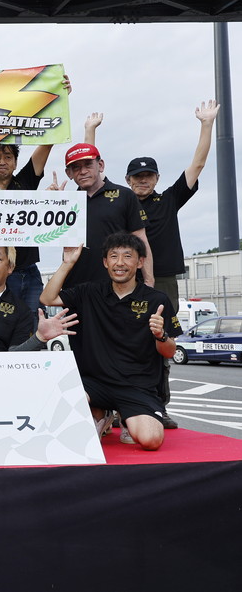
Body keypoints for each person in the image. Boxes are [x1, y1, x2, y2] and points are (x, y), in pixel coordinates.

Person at [85, 101, 219, 430]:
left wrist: (206, 124)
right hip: (123, 280)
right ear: (127, 179)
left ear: (157, 178)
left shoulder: (169, 199)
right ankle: (115, 407)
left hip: (162, 280)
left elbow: (198, 164)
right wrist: (90, 131)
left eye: (148, 176)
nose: (142, 181)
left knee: (161, 340)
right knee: (117, 340)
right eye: (137, 176)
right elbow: (90, 170)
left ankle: (158, 405)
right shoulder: (119, 200)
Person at [41, 233, 181, 450]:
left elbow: (169, 351)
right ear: (105, 262)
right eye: (114, 256)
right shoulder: (90, 291)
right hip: (93, 383)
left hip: (136, 386)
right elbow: (47, 298)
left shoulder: (156, 300)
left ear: (140, 262)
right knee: (58, 415)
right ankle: (101, 413)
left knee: (151, 440)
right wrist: (67, 263)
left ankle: (124, 416)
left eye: (128, 256)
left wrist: (160, 335)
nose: (120, 263)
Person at [0, 74, 71, 312]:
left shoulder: (25, 182)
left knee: (32, 325)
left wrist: (59, 100)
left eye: (8, 157)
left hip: (30, 272)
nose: (2, 162)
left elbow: (48, 141)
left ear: (15, 162)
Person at [61, 142, 153, 289]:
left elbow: (141, 240)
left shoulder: (125, 195)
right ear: (69, 173)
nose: (83, 171)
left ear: (100, 165)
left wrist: (149, 281)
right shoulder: (65, 201)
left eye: (88, 165)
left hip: (118, 285)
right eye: (76, 167)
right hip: (75, 288)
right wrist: (49, 201)